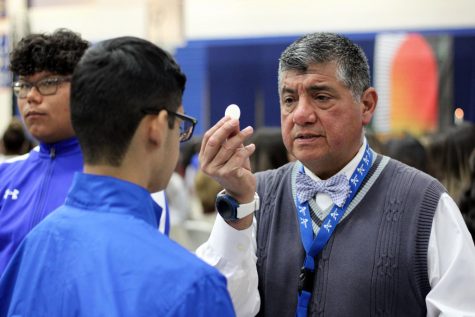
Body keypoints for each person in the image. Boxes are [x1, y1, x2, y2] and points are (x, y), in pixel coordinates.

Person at [196, 32, 475, 316]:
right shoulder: (255, 196)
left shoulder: (424, 203)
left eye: (321, 97)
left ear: (366, 105)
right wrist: (237, 203)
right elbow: (221, 307)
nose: (301, 115)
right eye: (289, 99)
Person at [0, 36, 235, 316]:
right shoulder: (194, 287)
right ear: (158, 128)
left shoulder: (31, 250)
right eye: (180, 125)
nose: (31, 96)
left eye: (48, 83)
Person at [0, 29, 170, 276]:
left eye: (48, 83)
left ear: (84, 88)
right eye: (24, 85)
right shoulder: (5, 176)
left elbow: (140, 277)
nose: (31, 97)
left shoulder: (129, 178)